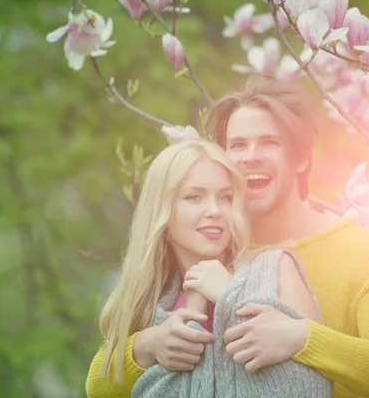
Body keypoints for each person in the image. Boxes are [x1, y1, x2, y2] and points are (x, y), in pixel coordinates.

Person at [86, 75, 369, 398]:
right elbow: (100, 384)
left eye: (269, 143)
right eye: (237, 145)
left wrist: (304, 337)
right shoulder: (208, 246)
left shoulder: (362, 251)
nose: (250, 157)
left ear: (301, 157)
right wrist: (145, 345)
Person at [93, 139, 332, 397]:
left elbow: (315, 389)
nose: (214, 210)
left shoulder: (276, 269)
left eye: (225, 197)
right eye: (194, 197)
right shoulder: (152, 300)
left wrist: (232, 296)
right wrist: (145, 346)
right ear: (163, 209)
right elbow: (99, 390)